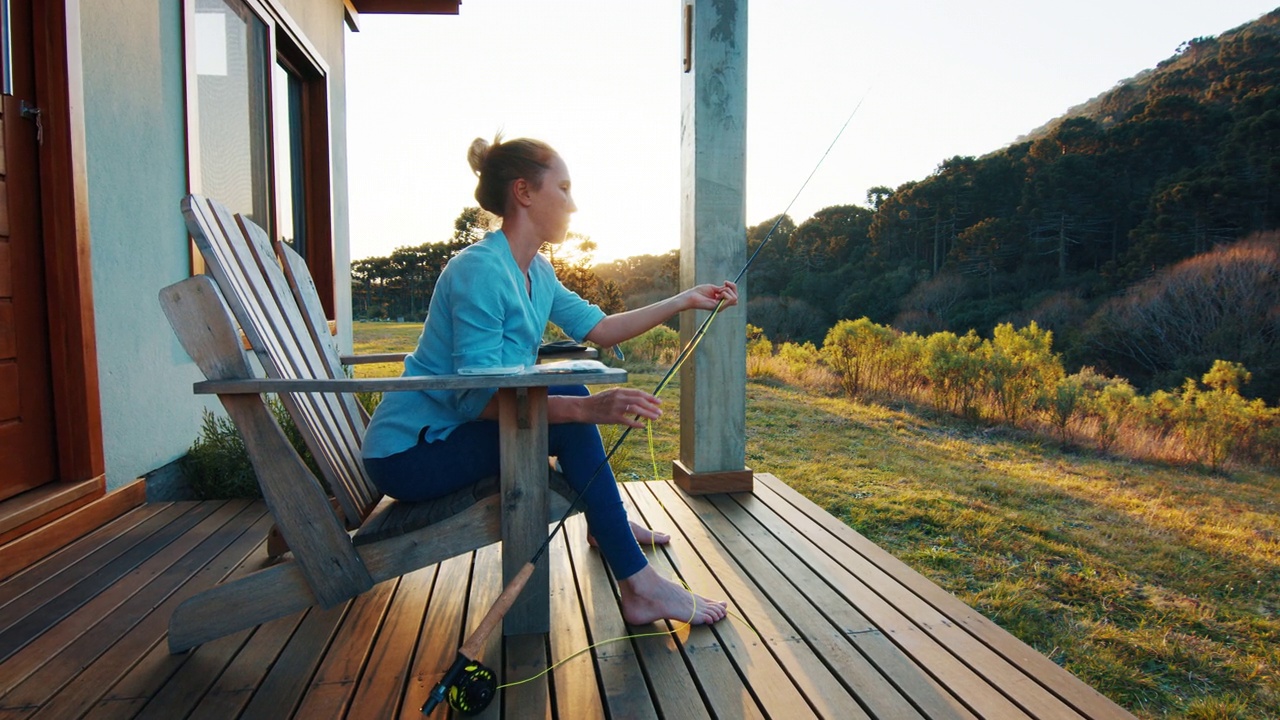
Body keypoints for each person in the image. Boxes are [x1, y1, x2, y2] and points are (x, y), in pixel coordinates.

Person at [361, 135, 737, 625]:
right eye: (563, 187)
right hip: (413, 453)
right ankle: (638, 583)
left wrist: (684, 299)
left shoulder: (535, 270)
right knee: (574, 409)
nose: (573, 203)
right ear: (524, 192)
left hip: (446, 436)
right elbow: (476, 400)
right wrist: (586, 410)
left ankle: (609, 529)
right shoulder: (479, 271)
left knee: (570, 395)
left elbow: (599, 328)